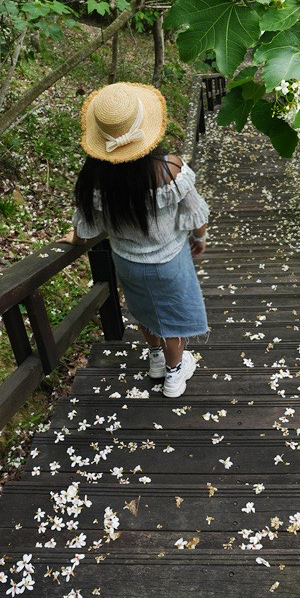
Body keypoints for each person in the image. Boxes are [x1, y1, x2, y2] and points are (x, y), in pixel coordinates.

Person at [60, 81, 210, 398]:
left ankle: (156, 360)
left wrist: (72, 240)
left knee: (144, 311)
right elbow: (196, 212)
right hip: (169, 262)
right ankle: (173, 375)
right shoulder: (169, 169)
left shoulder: (96, 180)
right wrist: (199, 238)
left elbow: (85, 226)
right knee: (172, 319)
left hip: (127, 263)